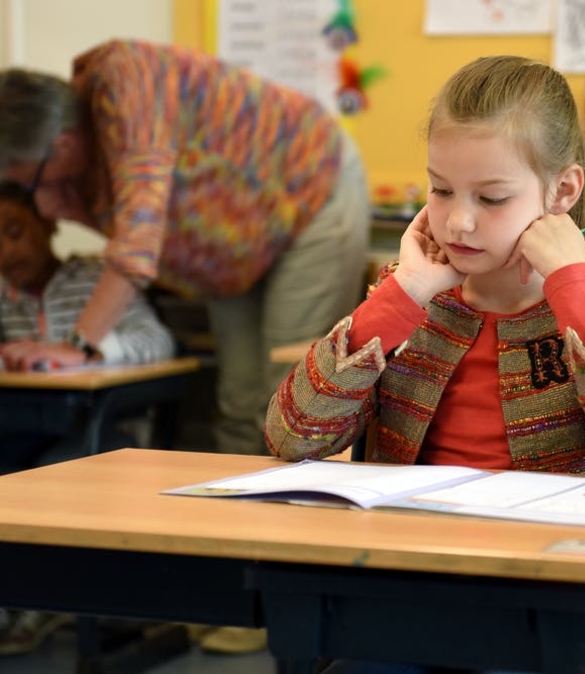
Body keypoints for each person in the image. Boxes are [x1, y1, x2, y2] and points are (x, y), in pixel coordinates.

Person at [0, 38, 370, 654]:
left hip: (310, 199)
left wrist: (79, 344)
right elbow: (143, 229)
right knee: (236, 409)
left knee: (298, 409)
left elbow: (139, 235)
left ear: (59, 146)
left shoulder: (126, 79)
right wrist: (65, 199)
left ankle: (303, 601)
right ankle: (239, 590)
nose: (22, 193)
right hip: (229, 251)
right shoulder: (73, 165)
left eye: (20, 178)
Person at [266, 55, 585, 505]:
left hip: (549, 555)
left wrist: (575, 287)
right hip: (409, 548)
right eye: (442, 190)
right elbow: (292, 435)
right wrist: (403, 294)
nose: (459, 222)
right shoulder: (412, 294)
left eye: (492, 198)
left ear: (563, 191)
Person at [0, 180, 176, 655]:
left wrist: (86, 353)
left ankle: (37, 602)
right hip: (22, 429)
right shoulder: (2, 293)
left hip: (100, 430)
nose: (5, 250)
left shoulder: (97, 280)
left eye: (14, 231)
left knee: (45, 479)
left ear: (47, 224)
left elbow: (157, 343)